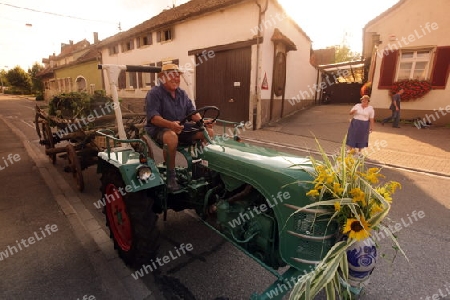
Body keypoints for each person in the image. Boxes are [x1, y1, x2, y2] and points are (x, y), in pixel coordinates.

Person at [145, 63, 214, 191]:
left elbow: (192, 112)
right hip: (160, 128)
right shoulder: (154, 93)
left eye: (177, 76)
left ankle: (201, 167)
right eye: (172, 76)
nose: (175, 79)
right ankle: (171, 176)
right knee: (171, 137)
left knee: (208, 132)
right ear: (163, 78)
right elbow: (154, 118)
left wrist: (202, 122)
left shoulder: (182, 94)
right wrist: (170, 125)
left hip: (180, 127)